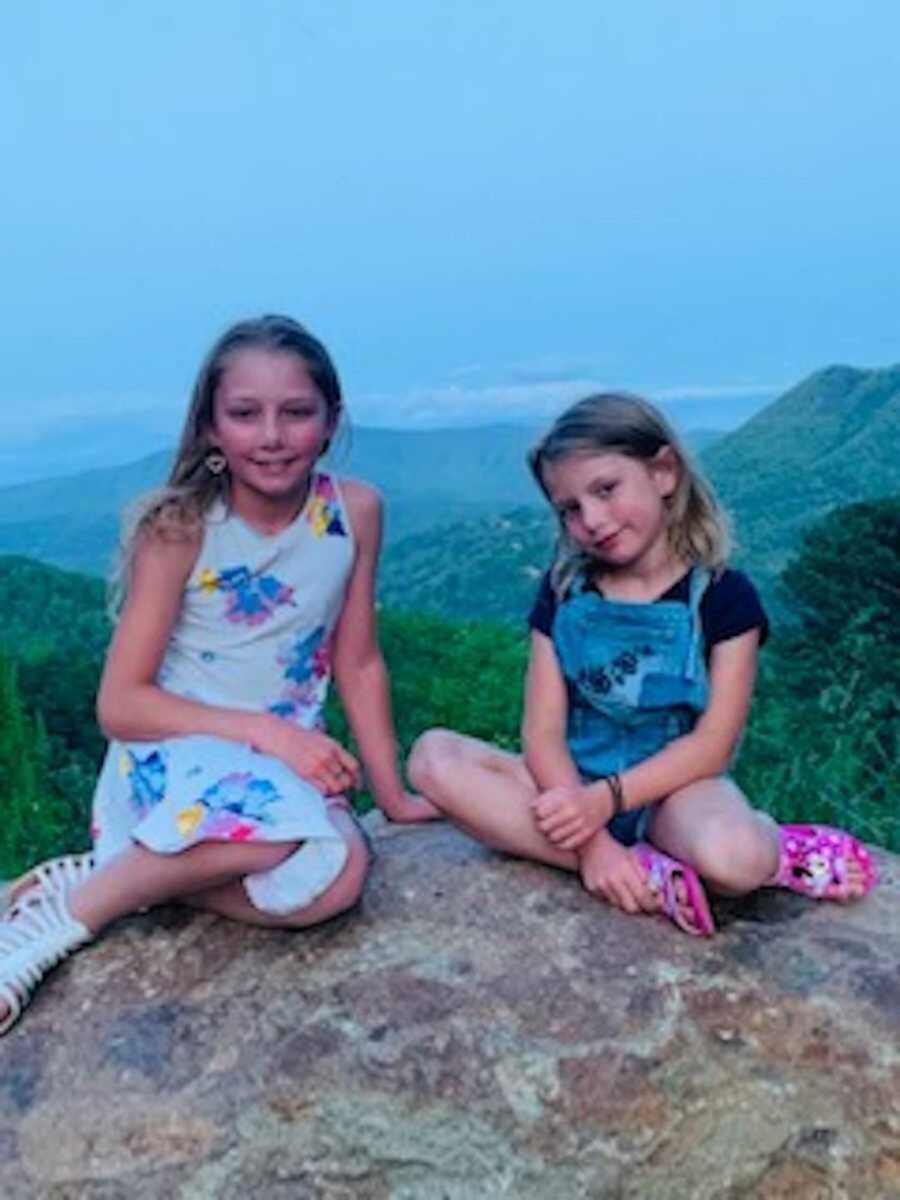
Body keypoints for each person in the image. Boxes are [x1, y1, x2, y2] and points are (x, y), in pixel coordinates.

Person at [0, 313, 438, 1034]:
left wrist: (391, 795)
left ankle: (123, 873)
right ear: (209, 427)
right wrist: (268, 734)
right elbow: (121, 705)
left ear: (331, 420)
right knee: (292, 851)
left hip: (281, 770)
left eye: (297, 412)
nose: (272, 434)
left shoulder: (354, 511)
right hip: (175, 754)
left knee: (333, 882)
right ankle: (50, 933)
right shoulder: (179, 529)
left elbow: (357, 658)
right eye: (245, 414)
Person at [409, 392, 877, 936]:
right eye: (570, 508)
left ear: (663, 471)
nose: (593, 520)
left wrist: (605, 801)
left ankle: (779, 846)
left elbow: (713, 745)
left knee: (736, 858)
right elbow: (541, 734)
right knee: (432, 759)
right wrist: (592, 842)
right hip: (571, 783)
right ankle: (636, 872)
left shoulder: (723, 598)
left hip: (673, 794)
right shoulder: (564, 593)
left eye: (606, 490)